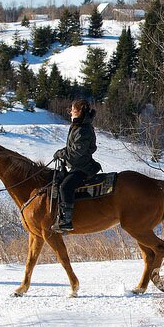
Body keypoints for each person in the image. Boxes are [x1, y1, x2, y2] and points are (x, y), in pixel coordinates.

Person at [51, 99, 100, 233]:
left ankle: (66, 221)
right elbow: (72, 147)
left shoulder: (83, 129)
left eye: (72, 110)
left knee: (65, 187)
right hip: (75, 166)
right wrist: (61, 152)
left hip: (83, 168)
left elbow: (76, 152)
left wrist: (62, 153)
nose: (70, 112)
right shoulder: (78, 126)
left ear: (79, 111)